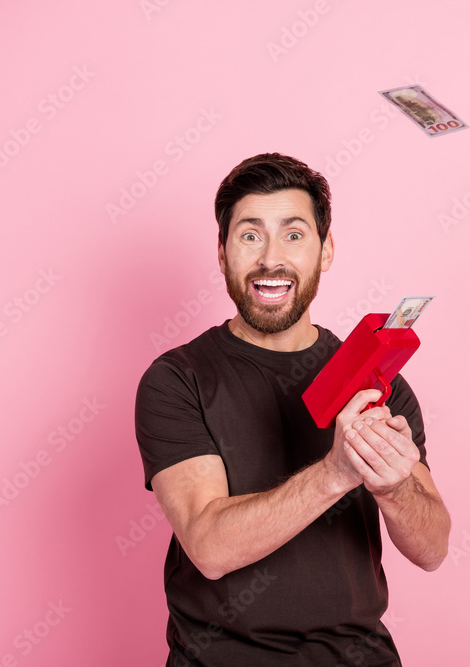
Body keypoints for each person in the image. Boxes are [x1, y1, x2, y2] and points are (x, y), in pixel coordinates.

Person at [134, 153, 450, 666]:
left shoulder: (379, 381)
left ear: (325, 252)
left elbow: (432, 547)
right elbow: (209, 547)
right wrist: (335, 472)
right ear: (221, 253)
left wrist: (393, 488)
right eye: (250, 235)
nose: (271, 259)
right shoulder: (177, 380)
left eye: (295, 235)